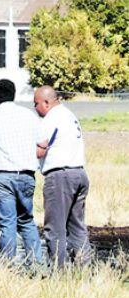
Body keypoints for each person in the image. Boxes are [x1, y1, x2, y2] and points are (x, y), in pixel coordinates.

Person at [0, 79, 45, 265]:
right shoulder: (29, 116)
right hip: (27, 175)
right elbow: (43, 143)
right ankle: (36, 264)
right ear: (14, 95)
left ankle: (8, 265)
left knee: (7, 223)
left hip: (3, 176)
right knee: (27, 220)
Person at [34, 85, 90, 267]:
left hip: (60, 176)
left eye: (36, 104)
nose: (35, 108)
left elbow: (40, 150)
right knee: (77, 227)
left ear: (47, 102)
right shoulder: (69, 115)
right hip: (79, 173)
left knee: (55, 228)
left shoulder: (52, 118)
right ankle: (84, 268)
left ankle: (59, 273)